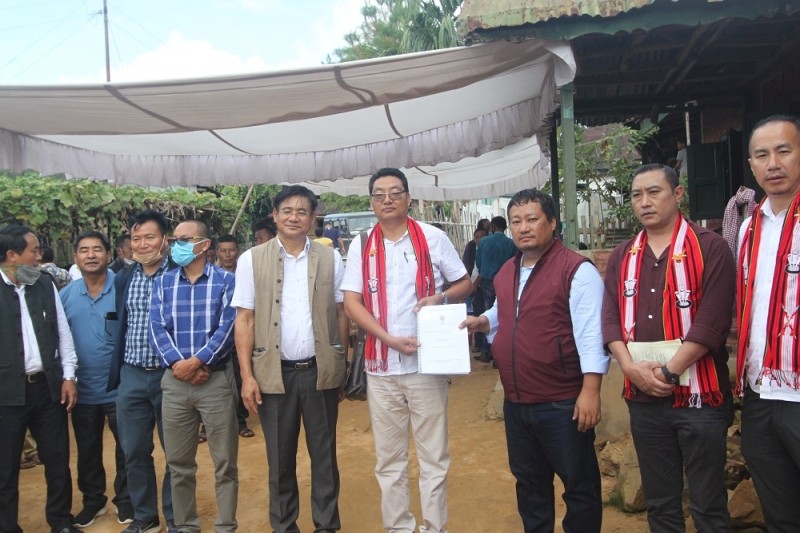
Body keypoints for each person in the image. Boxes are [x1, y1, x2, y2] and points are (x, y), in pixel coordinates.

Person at [461, 189, 608, 532]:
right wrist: (483, 321)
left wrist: (590, 390)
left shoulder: (576, 270)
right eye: (516, 221)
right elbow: (505, 310)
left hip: (562, 402)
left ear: (552, 223)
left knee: (579, 487)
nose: (523, 228)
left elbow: (590, 335)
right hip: (517, 402)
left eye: (532, 219)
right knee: (529, 485)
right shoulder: (508, 271)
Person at [602, 164, 735, 532]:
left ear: (677, 195)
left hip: (700, 399)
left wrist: (669, 371)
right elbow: (610, 319)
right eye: (636, 195)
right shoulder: (623, 255)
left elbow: (713, 321)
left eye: (654, 192)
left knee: (708, 504)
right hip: (643, 398)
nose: (644, 202)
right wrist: (629, 369)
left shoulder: (710, 247)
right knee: (660, 505)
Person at [342, 168, 471, 533]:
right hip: (381, 368)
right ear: (371, 201)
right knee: (389, 459)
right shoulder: (361, 244)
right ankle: (398, 527)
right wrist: (386, 338)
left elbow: (464, 282)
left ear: (407, 198)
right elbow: (352, 302)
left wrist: (440, 297)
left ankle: (434, 527)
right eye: (379, 194)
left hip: (427, 365)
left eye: (395, 192)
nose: (387, 199)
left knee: (433, 457)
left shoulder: (432, 238)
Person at [233, 185, 349, 533]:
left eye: (302, 211)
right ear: (275, 215)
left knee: (324, 457)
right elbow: (245, 320)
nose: (294, 217)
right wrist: (247, 377)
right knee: (280, 459)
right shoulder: (252, 259)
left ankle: (326, 526)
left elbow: (342, 312)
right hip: (273, 376)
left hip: (319, 372)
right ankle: (284, 526)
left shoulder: (331, 258)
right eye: (287, 210)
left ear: (313, 218)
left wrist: (340, 363)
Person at [150, 219, 238, 533]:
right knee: (178, 464)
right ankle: (186, 525)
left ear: (203, 245)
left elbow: (228, 329)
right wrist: (180, 366)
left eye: (184, 240)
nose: (176, 246)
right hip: (175, 384)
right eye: (174, 240)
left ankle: (226, 525)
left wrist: (198, 362)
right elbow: (157, 329)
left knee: (225, 463)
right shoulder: (163, 282)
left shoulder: (226, 282)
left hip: (214, 382)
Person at [736, 114, 800, 532]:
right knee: (780, 509)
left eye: (784, 151)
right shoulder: (748, 228)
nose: (773, 163)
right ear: (752, 164)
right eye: (762, 155)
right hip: (759, 391)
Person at [0, 224, 81, 533]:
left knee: (57, 460)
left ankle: (61, 521)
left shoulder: (43, 284)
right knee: (5, 468)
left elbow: (63, 333)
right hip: (6, 394)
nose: (40, 256)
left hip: (47, 390)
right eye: (33, 251)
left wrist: (69, 376)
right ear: (12, 256)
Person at [108, 210, 177, 533]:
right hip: (132, 374)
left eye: (149, 237)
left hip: (171, 375)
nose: (142, 244)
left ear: (164, 239)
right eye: (136, 239)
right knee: (133, 450)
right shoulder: (124, 277)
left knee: (176, 452)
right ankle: (145, 517)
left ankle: (177, 518)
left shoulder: (179, 273)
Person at [60, 230, 133, 527]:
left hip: (120, 386)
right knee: (87, 449)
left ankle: (126, 501)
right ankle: (94, 501)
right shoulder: (65, 295)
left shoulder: (124, 287)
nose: (91, 255)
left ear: (109, 254)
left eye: (97, 249)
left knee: (128, 447)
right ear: (76, 257)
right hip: (82, 389)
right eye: (84, 250)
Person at [215, 234, 254, 438]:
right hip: (218, 338)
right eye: (223, 250)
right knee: (216, 382)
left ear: (237, 251)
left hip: (240, 335)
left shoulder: (245, 272)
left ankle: (240, 421)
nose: (227, 254)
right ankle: (209, 426)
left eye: (231, 250)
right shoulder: (212, 275)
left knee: (240, 378)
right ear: (217, 252)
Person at [473, 216, 517, 363]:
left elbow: (478, 263)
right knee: (503, 316)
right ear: (505, 227)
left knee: (487, 316)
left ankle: (486, 351)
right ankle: (499, 356)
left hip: (486, 283)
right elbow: (515, 264)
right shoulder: (511, 244)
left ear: (492, 226)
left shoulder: (484, 242)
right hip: (505, 283)